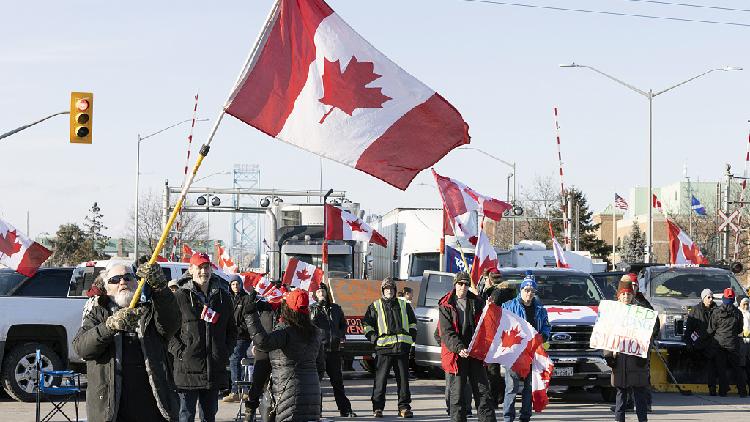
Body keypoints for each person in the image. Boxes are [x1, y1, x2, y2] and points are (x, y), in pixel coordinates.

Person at [73, 262, 181, 422]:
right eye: (115, 279)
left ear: (137, 283)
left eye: (127, 277)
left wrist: (161, 289)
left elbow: (171, 325)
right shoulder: (97, 312)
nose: (122, 282)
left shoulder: (150, 309)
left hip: (153, 409)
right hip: (111, 411)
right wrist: (109, 326)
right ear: (106, 288)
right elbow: (82, 348)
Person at [170, 253, 237, 422]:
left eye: (206, 267)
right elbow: (168, 331)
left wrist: (224, 351)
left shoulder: (223, 297)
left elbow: (232, 330)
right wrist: (181, 353)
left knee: (209, 416)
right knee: (186, 416)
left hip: (213, 369)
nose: (203, 271)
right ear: (191, 269)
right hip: (187, 370)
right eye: (199, 267)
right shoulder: (179, 296)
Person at [244, 288, 322, 421]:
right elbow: (321, 366)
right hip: (313, 394)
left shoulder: (286, 331)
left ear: (288, 309)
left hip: (288, 393)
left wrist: (250, 314)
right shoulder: (315, 333)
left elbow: (262, 342)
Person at [438, 272, 497, 422]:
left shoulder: (477, 301)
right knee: (457, 397)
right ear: (455, 284)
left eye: (466, 284)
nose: (463, 287)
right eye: (460, 284)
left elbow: (487, 324)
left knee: (483, 394)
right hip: (456, 356)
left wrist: (490, 307)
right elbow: (446, 332)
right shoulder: (446, 304)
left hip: (475, 354)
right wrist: (458, 348)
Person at [363, 277, 417, 418]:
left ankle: (404, 408)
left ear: (394, 290)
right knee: (380, 381)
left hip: (401, 349)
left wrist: (410, 339)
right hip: (384, 350)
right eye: (386, 289)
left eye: (391, 289)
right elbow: (367, 325)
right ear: (383, 290)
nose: (389, 291)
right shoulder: (375, 306)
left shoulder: (404, 304)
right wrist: (374, 339)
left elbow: (413, 323)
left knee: (404, 381)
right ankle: (378, 408)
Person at [501, 271, 551, 422]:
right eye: (526, 290)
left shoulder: (540, 310)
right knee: (511, 388)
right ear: (521, 290)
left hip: (533, 354)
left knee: (529, 388)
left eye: (532, 291)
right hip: (515, 355)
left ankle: (525, 417)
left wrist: (543, 336)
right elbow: (501, 325)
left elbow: (547, 327)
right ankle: (508, 417)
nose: (529, 293)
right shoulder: (509, 306)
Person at [603, 280, 651, 422]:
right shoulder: (612, 314)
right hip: (620, 362)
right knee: (620, 399)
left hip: (636, 361)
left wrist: (644, 356)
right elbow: (607, 335)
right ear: (618, 296)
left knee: (640, 398)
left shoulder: (641, 313)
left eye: (628, 294)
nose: (626, 297)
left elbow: (647, 336)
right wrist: (608, 355)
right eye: (623, 294)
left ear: (632, 295)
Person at [310, 283, 357, 417]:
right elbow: (310, 325)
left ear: (327, 292)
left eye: (323, 290)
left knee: (338, 382)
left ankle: (345, 409)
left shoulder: (336, 308)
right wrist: (317, 307)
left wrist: (341, 335)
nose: (321, 293)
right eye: (318, 291)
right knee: (316, 383)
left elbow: (343, 324)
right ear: (315, 294)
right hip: (319, 351)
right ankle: (315, 411)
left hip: (334, 351)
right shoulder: (312, 309)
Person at [708, 288, 747, 397]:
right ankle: (743, 391)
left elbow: (711, 329)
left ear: (723, 298)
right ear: (733, 299)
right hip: (733, 344)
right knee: (737, 368)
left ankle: (723, 392)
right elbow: (740, 329)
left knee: (721, 368)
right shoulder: (738, 313)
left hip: (719, 344)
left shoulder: (716, 312)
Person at [683, 288, 719, 395]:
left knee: (712, 366)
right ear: (703, 298)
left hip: (712, 343)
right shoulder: (695, 310)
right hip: (698, 343)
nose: (710, 299)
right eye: (708, 297)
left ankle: (712, 388)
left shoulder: (717, 310)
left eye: (712, 297)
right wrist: (688, 342)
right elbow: (689, 328)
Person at [223, 275, 253, 403]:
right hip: (231, 336)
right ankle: (244, 390)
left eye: (237, 284)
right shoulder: (228, 298)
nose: (235, 286)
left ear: (241, 285)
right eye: (233, 284)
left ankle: (236, 391)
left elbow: (247, 321)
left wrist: (236, 329)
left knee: (234, 359)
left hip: (242, 336)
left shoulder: (245, 299)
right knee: (234, 360)